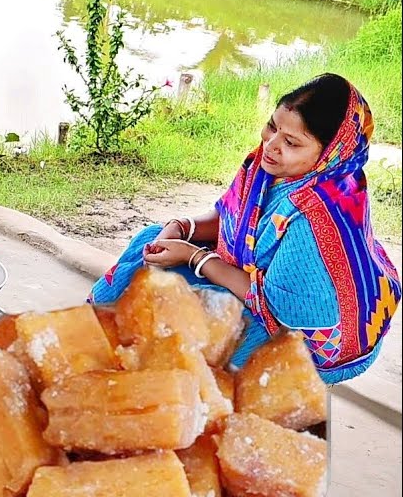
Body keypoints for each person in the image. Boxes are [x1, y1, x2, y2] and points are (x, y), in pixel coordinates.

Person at [91, 74, 400, 383]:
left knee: (181, 314)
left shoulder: (316, 218)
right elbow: (231, 217)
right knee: (149, 241)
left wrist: (194, 257)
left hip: (303, 340)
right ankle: (98, 344)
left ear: (330, 154)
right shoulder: (269, 166)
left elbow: (276, 310)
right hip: (257, 282)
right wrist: (181, 227)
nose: (272, 144)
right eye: (273, 126)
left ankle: (141, 383)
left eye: (291, 142)